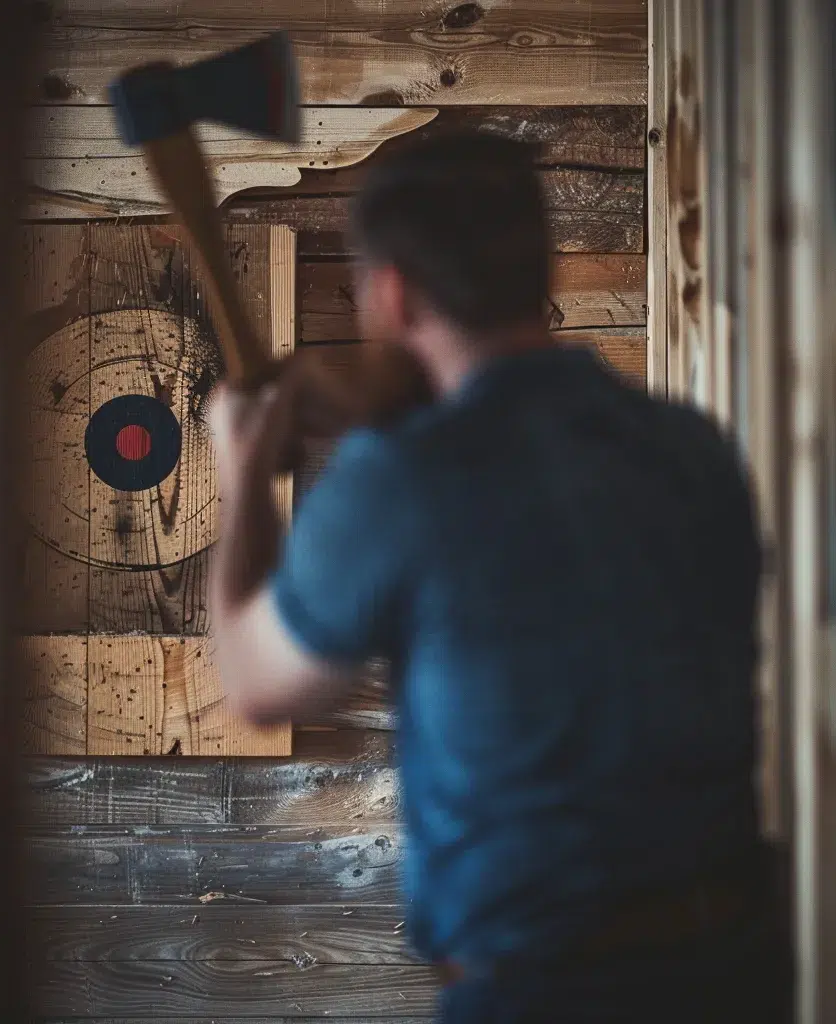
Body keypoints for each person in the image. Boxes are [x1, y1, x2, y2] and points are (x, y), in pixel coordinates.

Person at [207, 132, 792, 1023]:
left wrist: (242, 471)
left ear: (393, 291)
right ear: (539, 271)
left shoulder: (396, 477)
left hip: (541, 992)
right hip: (741, 969)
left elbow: (258, 684)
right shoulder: (692, 446)